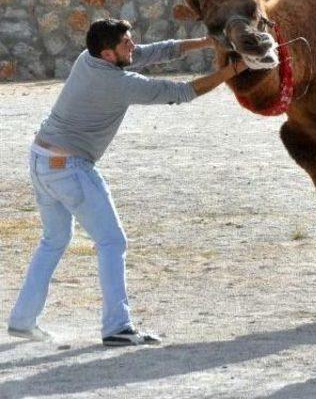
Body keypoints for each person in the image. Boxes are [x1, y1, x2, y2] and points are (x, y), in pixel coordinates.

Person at [8, 18, 247, 346]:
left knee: (54, 240)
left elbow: (152, 52)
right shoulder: (120, 84)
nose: (133, 47)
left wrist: (206, 42)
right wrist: (232, 72)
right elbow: (182, 92)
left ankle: (22, 320)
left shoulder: (87, 57)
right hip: (68, 168)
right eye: (126, 45)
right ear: (108, 54)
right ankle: (117, 327)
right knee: (112, 242)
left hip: (40, 159)